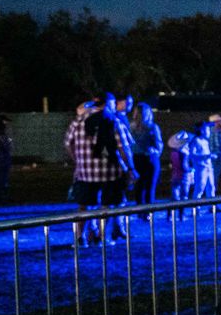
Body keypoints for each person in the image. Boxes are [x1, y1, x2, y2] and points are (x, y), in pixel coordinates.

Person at [63, 96, 135, 244]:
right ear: (108, 104)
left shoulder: (78, 121)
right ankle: (102, 237)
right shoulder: (113, 120)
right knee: (106, 205)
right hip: (109, 171)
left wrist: (78, 160)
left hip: (85, 172)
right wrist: (130, 168)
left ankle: (79, 238)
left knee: (83, 205)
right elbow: (124, 147)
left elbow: (68, 143)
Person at [129, 102, 163, 205]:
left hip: (136, 159)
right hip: (150, 158)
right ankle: (148, 212)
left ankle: (139, 210)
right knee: (150, 186)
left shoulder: (130, 127)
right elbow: (158, 145)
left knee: (139, 186)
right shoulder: (152, 127)